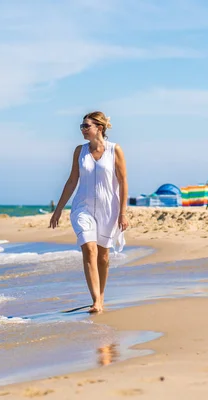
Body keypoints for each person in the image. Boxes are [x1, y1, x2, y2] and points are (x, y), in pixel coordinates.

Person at [49, 111, 129, 314]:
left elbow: (123, 181)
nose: (83, 130)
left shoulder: (114, 150)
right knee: (89, 249)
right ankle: (96, 301)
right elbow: (72, 181)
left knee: (103, 256)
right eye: (81, 126)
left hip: (108, 208)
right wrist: (58, 209)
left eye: (86, 126)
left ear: (99, 128)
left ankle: (101, 297)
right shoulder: (80, 151)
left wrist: (123, 212)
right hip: (82, 207)